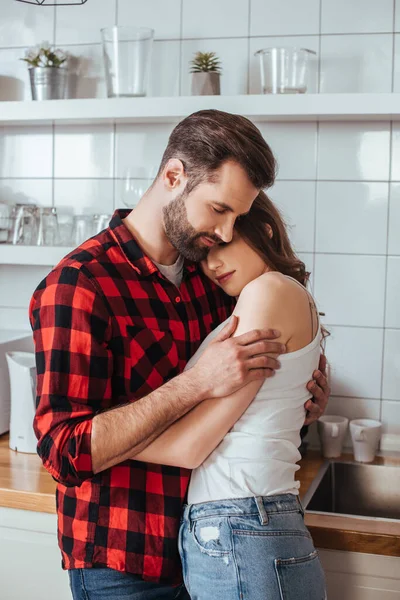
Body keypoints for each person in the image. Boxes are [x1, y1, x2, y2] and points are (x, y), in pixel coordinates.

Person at [29, 109, 330, 600]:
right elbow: (64, 451)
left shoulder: (210, 277)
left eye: (239, 217)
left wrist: (302, 394)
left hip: (208, 547)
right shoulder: (80, 285)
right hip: (124, 564)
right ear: (174, 176)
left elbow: (244, 409)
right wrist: (197, 382)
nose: (228, 232)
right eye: (219, 210)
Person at [131, 191, 328, 599]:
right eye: (204, 255)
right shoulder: (281, 296)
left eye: (223, 245)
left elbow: (191, 447)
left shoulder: (268, 292)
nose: (212, 264)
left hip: (243, 522)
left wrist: (96, 436)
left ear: (266, 231)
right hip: (249, 524)